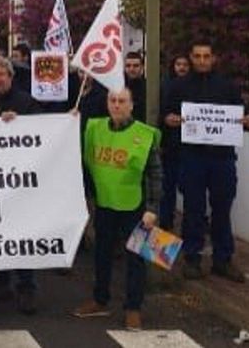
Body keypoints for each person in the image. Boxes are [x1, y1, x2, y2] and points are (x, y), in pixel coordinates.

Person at [162, 40, 249, 282]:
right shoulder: (178, 87)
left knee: (222, 209)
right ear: (191, 58)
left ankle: (222, 259)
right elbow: (166, 115)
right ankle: (192, 258)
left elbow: (240, 118)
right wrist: (170, 119)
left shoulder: (228, 87)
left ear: (213, 58)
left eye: (206, 56)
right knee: (193, 209)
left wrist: (248, 122)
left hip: (222, 158)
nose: (202, 60)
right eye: (197, 56)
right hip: (192, 157)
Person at [73, 87, 162, 331]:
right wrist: (70, 119)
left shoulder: (144, 135)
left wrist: (153, 208)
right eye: (112, 100)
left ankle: (133, 308)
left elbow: (155, 174)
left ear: (132, 105)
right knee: (101, 254)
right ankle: (100, 299)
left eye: (122, 101)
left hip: (137, 206)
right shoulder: (95, 128)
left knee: (137, 259)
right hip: (105, 204)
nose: (117, 105)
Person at [0, 56, 42, 314]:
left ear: (10, 77)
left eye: (0, 74)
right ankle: (0, 282)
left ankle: (27, 287)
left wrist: (22, 122)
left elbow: (43, 130)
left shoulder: (26, 102)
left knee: (20, 234)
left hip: (18, 182)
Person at [158, 54, 189, 230]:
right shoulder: (165, 85)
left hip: (191, 148)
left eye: (185, 64)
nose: (182, 68)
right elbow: (159, 110)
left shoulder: (196, 87)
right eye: (178, 63)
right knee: (166, 190)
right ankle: (165, 225)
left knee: (190, 192)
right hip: (170, 145)